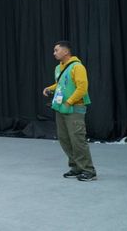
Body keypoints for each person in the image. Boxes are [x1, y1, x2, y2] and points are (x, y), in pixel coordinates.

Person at [43, 41, 97, 182]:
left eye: (56, 50)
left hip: (74, 108)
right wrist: (50, 88)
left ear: (66, 52)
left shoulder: (77, 67)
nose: (54, 53)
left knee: (77, 139)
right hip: (61, 108)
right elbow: (60, 83)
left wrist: (69, 101)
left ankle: (88, 170)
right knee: (65, 139)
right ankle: (76, 167)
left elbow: (82, 88)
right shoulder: (58, 68)